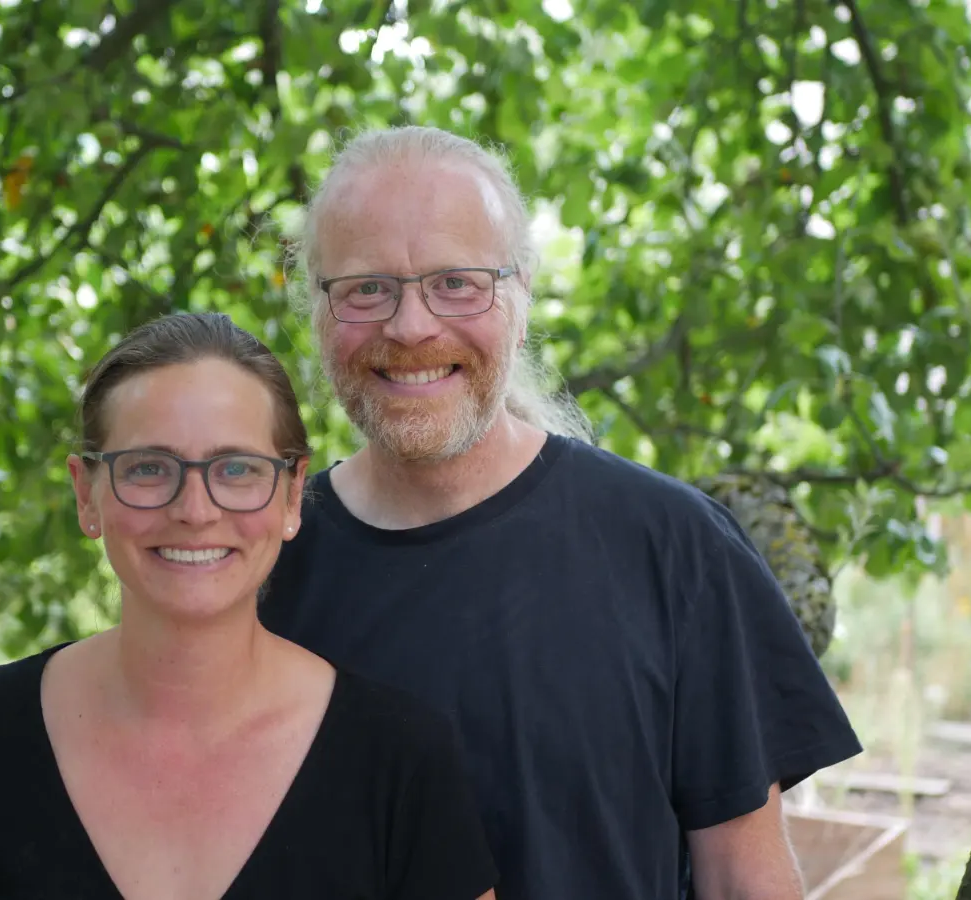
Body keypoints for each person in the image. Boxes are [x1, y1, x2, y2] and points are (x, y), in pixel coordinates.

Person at [258, 125, 865, 900]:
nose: (411, 326)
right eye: (366, 287)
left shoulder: (671, 547)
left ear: (520, 293)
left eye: (456, 282)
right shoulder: (267, 565)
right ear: (316, 306)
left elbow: (744, 883)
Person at [0, 312, 500, 900]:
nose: (195, 510)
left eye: (236, 470)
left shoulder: (400, 760)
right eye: (148, 468)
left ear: (290, 495)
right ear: (87, 495)